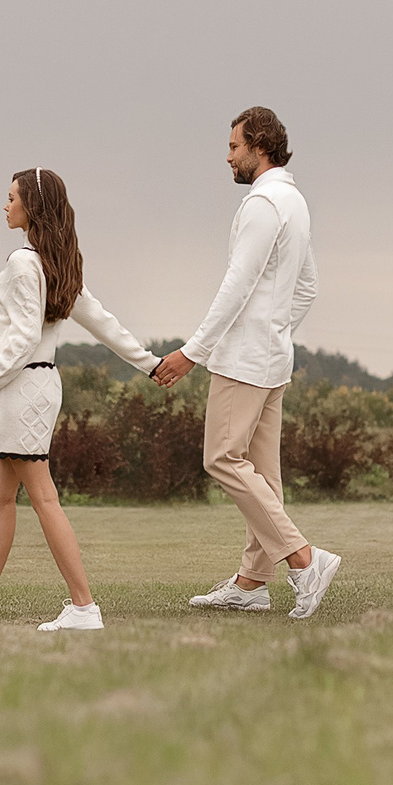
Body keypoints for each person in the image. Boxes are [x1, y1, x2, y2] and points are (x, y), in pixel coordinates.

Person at [0, 168, 161, 631]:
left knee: (44, 498)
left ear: (31, 206)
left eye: (11, 197)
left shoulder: (24, 263)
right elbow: (105, 323)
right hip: (32, 387)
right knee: (1, 496)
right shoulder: (56, 263)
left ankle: (83, 607)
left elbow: (19, 346)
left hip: (23, 389)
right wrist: (150, 363)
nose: (5, 204)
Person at [154, 106, 341, 619]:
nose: (228, 156)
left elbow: (236, 285)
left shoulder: (263, 203)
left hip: (244, 360)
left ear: (259, 146)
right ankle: (253, 583)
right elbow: (307, 288)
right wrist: (277, 328)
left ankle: (305, 560)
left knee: (222, 459)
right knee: (262, 472)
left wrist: (193, 352)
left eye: (234, 146)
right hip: (273, 357)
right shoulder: (295, 202)